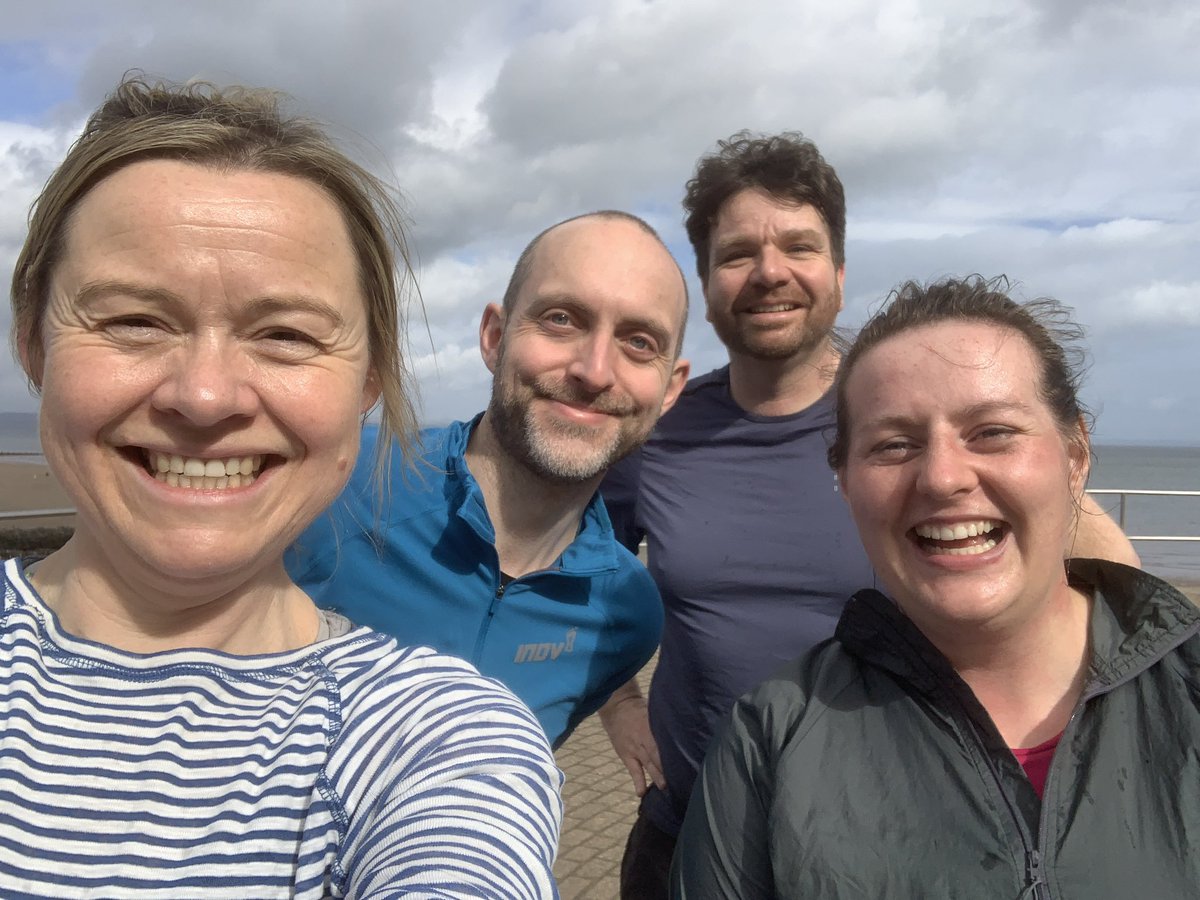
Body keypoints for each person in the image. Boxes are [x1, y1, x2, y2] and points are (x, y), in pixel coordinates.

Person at [2, 75, 561, 899]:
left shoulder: (434, 741)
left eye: (286, 335)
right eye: (133, 320)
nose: (204, 395)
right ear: (36, 347)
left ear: (367, 382)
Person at [599, 132, 1141, 898]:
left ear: (840, 275)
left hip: (889, 843)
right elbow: (581, 565)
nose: (770, 272)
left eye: (799, 245)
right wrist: (617, 701)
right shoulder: (656, 428)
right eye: (738, 253)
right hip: (685, 828)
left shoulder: (907, 414)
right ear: (708, 282)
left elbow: (1102, 565)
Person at [671, 275, 1200, 897]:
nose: (943, 477)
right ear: (843, 480)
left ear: (1075, 454)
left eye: (993, 432)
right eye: (894, 445)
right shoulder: (769, 739)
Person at [286, 210, 691, 747]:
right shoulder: (333, 483)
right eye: (562, 319)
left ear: (669, 389)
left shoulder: (628, 616)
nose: (594, 371)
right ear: (495, 337)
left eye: (640, 342)